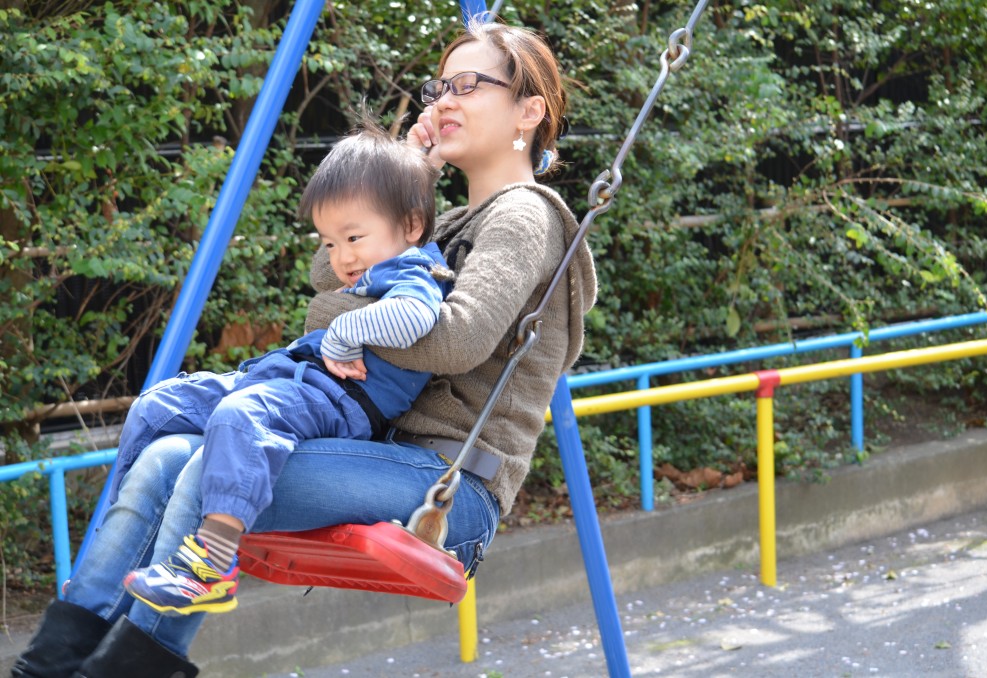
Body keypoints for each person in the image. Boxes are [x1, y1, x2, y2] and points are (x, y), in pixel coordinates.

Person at [12, 18, 597, 678]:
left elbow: (456, 338)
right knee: (162, 457)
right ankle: (52, 664)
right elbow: (330, 273)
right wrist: (410, 173)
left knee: (203, 465)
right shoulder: (446, 221)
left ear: (528, 110)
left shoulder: (525, 213)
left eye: (468, 84)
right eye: (439, 87)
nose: (444, 101)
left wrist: (339, 320)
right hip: (380, 457)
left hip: (446, 486)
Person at [114, 123, 452, 617]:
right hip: (289, 379)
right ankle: (125, 552)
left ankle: (210, 567)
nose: (341, 258)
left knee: (241, 415)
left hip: (340, 400)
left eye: (353, 237)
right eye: (330, 243)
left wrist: (341, 334)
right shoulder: (375, 262)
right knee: (157, 405)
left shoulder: (413, 269)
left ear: (413, 225)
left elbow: (415, 318)